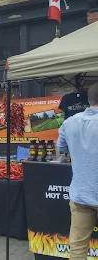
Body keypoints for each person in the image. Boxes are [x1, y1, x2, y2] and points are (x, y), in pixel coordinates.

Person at [57, 82, 98, 260]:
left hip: (81, 194)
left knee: (78, 247)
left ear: (89, 100)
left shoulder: (69, 122)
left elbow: (62, 149)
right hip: (83, 193)